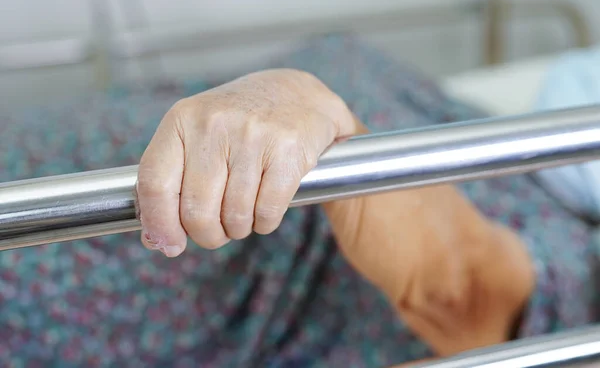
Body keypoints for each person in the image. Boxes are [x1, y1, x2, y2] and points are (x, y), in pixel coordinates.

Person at [0, 36, 598, 367]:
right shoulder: (487, 129)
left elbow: (458, 286)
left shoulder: (570, 261)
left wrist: (321, 120)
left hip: (58, 274)